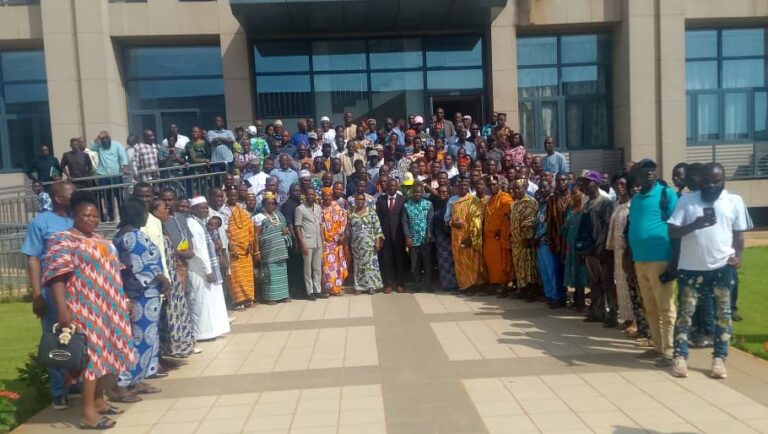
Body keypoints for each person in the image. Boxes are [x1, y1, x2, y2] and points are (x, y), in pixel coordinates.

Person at [42, 192, 136, 430]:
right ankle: (87, 413)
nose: (92, 219)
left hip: (110, 308)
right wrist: (62, 311)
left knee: (106, 352)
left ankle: (99, 401)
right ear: (74, 214)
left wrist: (123, 298)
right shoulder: (63, 240)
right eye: (86, 215)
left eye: (95, 215)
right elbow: (57, 278)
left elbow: (115, 272)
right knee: (92, 358)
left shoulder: (102, 240)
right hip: (84, 308)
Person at [669, 162, 753, 379]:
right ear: (700, 181)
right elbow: (673, 231)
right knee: (685, 316)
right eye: (707, 181)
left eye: (717, 181)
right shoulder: (687, 201)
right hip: (690, 269)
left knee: (723, 316)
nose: (712, 185)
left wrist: (738, 256)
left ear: (723, 179)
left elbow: (739, 235)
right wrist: (695, 224)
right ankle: (680, 356)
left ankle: (719, 359)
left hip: (721, 268)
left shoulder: (733, 201)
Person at [22, 181, 75, 410]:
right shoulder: (41, 223)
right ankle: (58, 391)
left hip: (81, 291)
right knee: (56, 337)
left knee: (82, 336)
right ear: (58, 198)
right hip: (53, 292)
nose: (77, 196)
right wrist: (37, 295)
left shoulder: (81, 218)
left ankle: (78, 382)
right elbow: (33, 257)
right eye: (72, 193)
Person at [113, 198, 170, 400]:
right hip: (141, 296)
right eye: (144, 212)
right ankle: (122, 385)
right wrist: (162, 278)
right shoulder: (131, 237)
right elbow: (138, 266)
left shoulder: (123, 235)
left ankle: (136, 380)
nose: (147, 215)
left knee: (146, 338)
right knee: (137, 340)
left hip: (145, 295)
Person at [627, 159, 679, 366]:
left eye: (653, 170)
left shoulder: (667, 195)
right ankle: (657, 346)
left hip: (661, 258)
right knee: (650, 306)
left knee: (665, 306)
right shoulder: (637, 200)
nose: (649, 173)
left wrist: (674, 263)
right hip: (640, 259)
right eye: (645, 170)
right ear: (637, 176)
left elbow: (677, 229)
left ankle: (669, 350)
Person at [157, 190, 196, 358]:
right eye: (164, 200)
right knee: (172, 306)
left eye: (170, 200)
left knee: (185, 301)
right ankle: (172, 345)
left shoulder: (180, 218)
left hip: (185, 263)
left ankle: (186, 340)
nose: (167, 203)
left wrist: (189, 252)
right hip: (172, 265)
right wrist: (179, 252)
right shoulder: (160, 221)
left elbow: (189, 239)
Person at [186, 196, 231, 340]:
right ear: (193, 209)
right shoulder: (192, 224)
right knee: (202, 302)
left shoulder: (200, 223)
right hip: (199, 270)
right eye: (202, 207)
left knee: (210, 301)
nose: (205, 210)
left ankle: (213, 331)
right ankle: (203, 333)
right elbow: (199, 250)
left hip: (207, 269)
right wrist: (208, 270)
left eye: (206, 207)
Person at [577, 170, 617, 327]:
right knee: (594, 282)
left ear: (596, 183)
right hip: (589, 249)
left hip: (601, 250)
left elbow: (608, 227)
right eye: (582, 183)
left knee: (607, 282)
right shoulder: (587, 203)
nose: (584, 186)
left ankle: (612, 313)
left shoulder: (605, 202)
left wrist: (602, 247)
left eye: (587, 182)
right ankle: (597, 310)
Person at [606, 173, 636, 331]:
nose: (620, 187)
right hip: (617, 250)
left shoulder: (632, 204)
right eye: (617, 184)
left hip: (629, 251)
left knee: (630, 284)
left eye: (623, 184)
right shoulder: (617, 203)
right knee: (620, 284)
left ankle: (635, 321)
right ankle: (626, 318)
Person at [446, 177, 484, 292]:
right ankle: (463, 285)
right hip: (456, 236)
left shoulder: (474, 200)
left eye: (465, 185)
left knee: (472, 260)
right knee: (459, 260)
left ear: (468, 187)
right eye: (461, 185)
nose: (463, 187)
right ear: (457, 187)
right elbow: (446, 218)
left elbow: (478, 220)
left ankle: (472, 285)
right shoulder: (452, 200)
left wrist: (471, 237)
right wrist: (452, 223)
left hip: (470, 236)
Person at [254, 193, 292, 304]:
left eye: (273, 203)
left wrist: (286, 231)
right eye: (268, 203)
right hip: (268, 251)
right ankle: (271, 297)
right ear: (263, 204)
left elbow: (285, 229)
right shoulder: (259, 217)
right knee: (270, 274)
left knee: (282, 273)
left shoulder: (279, 215)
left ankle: (284, 295)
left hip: (280, 250)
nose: (271, 205)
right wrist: (257, 251)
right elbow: (256, 236)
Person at [535, 179, 566, 308]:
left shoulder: (553, 202)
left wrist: (544, 235)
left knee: (553, 271)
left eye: (545, 187)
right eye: (540, 188)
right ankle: (549, 295)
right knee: (545, 270)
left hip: (549, 242)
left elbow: (553, 223)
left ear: (551, 187)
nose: (542, 190)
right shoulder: (541, 204)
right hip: (540, 242)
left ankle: (558, 297)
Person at [348, 192, 384, 295]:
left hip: (369, 244)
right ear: (355, 201)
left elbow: (377, 227)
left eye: (361, 200)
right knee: (358, 265)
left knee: (370, 266)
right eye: (358, 200)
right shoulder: (351, 212)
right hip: (356, 245)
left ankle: (371, 286)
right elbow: (348, 229)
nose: (360, 201)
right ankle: (358, 286)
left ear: (365, 201)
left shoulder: (371, 212)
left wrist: (377, 241)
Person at [483, 175, 514, 297]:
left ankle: (504, 286)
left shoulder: (505, 197)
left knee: (501, 262)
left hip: (499, 237)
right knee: (491, 262)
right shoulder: (490, 199)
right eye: (490, 185)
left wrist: (501, 230)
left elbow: (508, 214)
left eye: (494, 184)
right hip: (489, 238)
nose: (492, 187)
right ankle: (494, 284)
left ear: (499, 185)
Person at [225, 188, 255, 310]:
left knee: (247, 275)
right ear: (227, 196)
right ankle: (238, 301)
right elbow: (225, 231)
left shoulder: (242, 210)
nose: (233, 197)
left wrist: (249, 242)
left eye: (235, 195)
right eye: (230, 195)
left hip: (246, 249)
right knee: (235, 276)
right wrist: (231, 248)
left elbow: (250, 226)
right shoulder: (224, 211)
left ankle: (248, 298)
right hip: (233, 250)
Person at [375, 179, 407, 293]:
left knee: (400, 260)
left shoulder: (403, 200)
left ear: (397, 187)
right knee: (386, 260)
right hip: (385, 236)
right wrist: (379, 236)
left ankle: (400, 283)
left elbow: (405, 218)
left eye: (393, 186)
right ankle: (387, 284)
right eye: (389, 186)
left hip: (399, 235)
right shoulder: (380, 200)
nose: (391, 187)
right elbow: (377, 218)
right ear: (386, 187)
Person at [509, 178, 539, 301]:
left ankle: (532, 291)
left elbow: (530, 221)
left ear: (525, 188)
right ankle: (523, 289)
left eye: (519, 188)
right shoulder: (515, 203)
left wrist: (527, 237)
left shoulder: (530, 202)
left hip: (526, 241)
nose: (516, 191)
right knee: (519, 267)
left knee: (529, 266)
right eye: (514, 189)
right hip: (516, 242)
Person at [91, 131, 130, 221]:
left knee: (119, 196)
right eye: (102, 139)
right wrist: (98, 137)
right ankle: (111, 217)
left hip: (115, 174)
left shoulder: (117, 145)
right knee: (107, 197)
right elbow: (92, 148)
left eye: (106, 138)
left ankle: (123, 216)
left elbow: (123, 156)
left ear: (109, 138)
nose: (104, 140)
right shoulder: (99, 146)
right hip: (103, 175)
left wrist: (125, 167)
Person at [403, 183, 434, 291]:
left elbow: (430, 221)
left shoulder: (428, 204)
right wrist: (407, 237)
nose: (417, 194)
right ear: (412, 192)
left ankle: (428, 284)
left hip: (425, 239)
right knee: (415, 263)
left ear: (423, 193)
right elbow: (405, 222)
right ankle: (417, 284)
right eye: (415, 192)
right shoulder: (407, 205)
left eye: (419, 192)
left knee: (427, 263)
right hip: (413, 239)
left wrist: (429, 234)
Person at [562, 184, 589, 310]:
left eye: (576, 192)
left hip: (581, 245)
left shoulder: (586, 208)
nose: (573, 195)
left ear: (582, 193)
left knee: (583, 273)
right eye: (572, 193)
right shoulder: (570, 208)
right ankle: (577, 300)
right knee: (574, 272)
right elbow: (565, 227)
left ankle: (584, 302)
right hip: (570, 244)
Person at [295, 188, 323, 299]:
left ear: (315, 195)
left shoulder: (318, 208)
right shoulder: (300, 209)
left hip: (318, 241)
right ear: (305, 195)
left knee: (317, 267)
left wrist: (322, 240)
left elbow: (320, 225)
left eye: (312, 194)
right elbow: (298, 227)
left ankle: (317, 290)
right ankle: (309, 291)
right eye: (308, 194)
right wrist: (302, 243)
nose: (310, 196)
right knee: (307, 268)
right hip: (307, 242)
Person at [320, 187, 349, 296]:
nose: (327, 197)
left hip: (337, 243)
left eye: (329, 195)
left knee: (337, 268)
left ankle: (337, 289)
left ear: (331, 196)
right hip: (326, 243)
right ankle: (327, 290)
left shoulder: (337, 208)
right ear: (322, 197)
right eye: (325, 195)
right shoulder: (319, 210)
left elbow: (344, 219)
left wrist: (342, 235)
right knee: (327, 268)